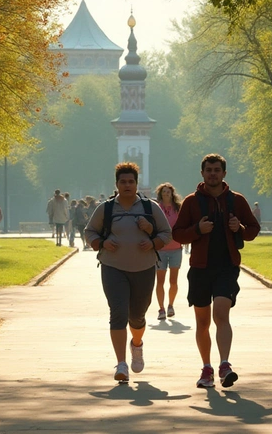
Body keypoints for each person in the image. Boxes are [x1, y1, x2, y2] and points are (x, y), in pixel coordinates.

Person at [172, 153, 260, 389]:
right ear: (202, 173)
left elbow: (253, 229)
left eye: (217, 170)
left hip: (226, 267)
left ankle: (224, 365)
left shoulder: (236, 200)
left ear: (224, 173)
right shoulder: (192, 202)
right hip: (200, 268)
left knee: (221, 314)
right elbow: (177, 234)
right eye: (209, 170)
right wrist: (198, 230)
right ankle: (206, 368)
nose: (213, 174)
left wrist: (239, 228)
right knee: (202, 322)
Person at [85, 162, 172, 383]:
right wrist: (103, 242)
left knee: (137, 316)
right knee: (118, 313)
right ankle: (121, 364)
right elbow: (90, 231)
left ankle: (137, 344)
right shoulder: (106, 208)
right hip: (113, 267)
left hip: (143, 268)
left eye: (131, 181)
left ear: (136, 184)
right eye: (122, 182)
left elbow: (166, 234)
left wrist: (152, 239)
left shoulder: (149, 207)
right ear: (116, 184)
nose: (127, 185)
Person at [154, 182, 184, 320]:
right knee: (160, 281)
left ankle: (171, 305)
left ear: (172, 194)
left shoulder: (178, 208)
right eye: (164, 192)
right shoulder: (156, 209)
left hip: (176, 249)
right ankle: (161, 309)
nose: (166, 194)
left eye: (168, 192)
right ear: (160, 194)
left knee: (173, 281)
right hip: (160, 249)